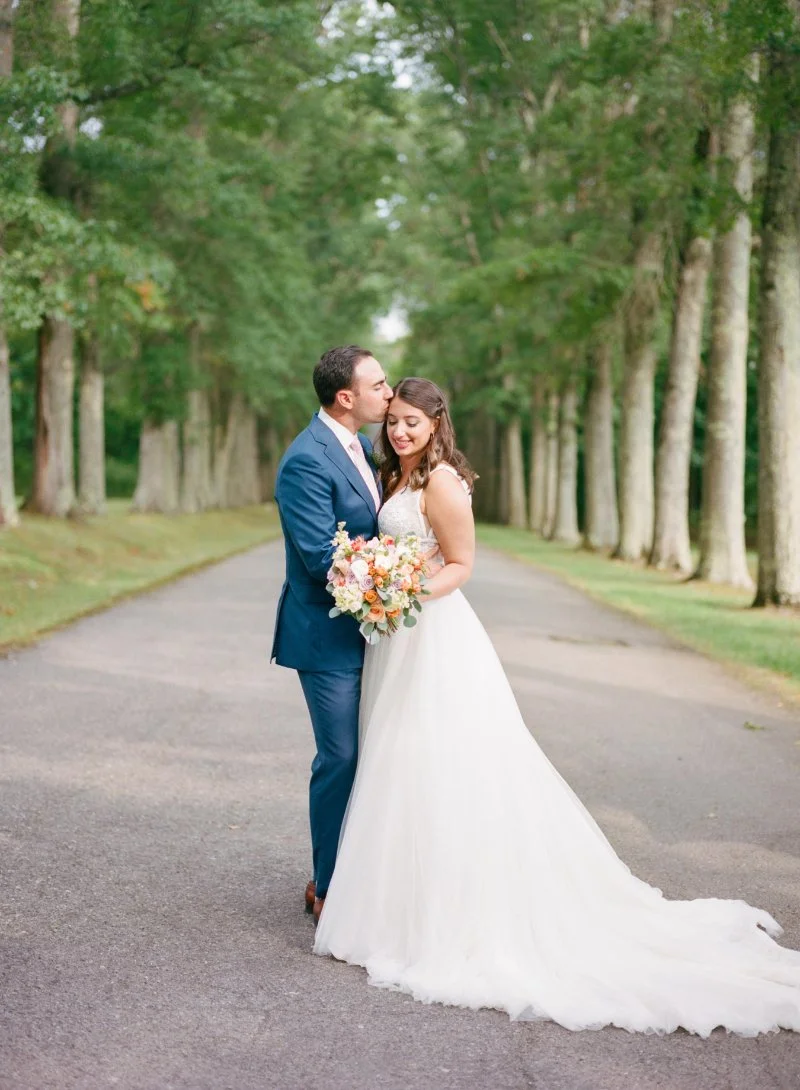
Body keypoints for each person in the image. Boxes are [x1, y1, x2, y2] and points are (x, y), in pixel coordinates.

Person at [313, 376, 800, 1036]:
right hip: (393, 640)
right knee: (398, 759)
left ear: (435, 424)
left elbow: (460, 564)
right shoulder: (390, 476)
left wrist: (405, 593)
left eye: (412, 423)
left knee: (440, 757)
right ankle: (396, 898)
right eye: (394, 420)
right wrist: (377, 586)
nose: (400, 431)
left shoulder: (444, 482)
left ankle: (455, 908)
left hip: (432, 634)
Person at [272, 345, 392, 923]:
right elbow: (322, 557)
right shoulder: (305, 460)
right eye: (378, 385)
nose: (388, 394)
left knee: (383, 752)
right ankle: (326, 884)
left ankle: (371, 871)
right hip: (325, 634)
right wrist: (400, 577)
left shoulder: (363, 447)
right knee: (340, 757)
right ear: (346, 397)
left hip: (374, 628)